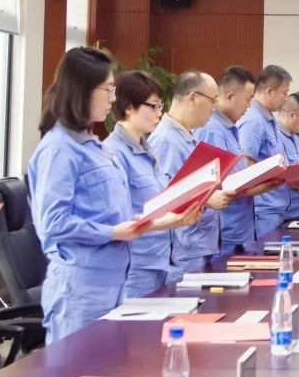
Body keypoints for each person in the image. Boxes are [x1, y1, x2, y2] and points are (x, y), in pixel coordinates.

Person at [27, 48, 190, 342]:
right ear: (83, 89)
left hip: (113, 281)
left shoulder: (95, 147)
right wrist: (113, 232)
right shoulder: (60, 149)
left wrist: (145, 223)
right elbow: (52, 223)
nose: (113, 99)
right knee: (79, 368)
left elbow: (112, 212)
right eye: (108, 89)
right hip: (82, 287)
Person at [148, 70, 235, 277]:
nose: (214, 108)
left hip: (201, 240)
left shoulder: (188, 135)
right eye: (212, 100)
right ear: (193, 97)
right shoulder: (166, 140)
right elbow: (164, 199)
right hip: (185, 246)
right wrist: (207, 199)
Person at [103, 71, 178, 297]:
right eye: (154, 106)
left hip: (161, 258)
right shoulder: (113, 153)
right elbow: (120, 218)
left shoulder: (147, 149)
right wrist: (174, 220)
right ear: (129, 107)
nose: (159, 113)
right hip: (135, 265)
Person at [196, 65, 271, 254]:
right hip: (226, 230)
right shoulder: (211, 130)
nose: (249, 106)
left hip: (239, 227)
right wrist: (262, 185)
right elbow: (217, 185)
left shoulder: (229, 129)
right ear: (230, 96)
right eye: (247, 99)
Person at [238, 64, 292, 235]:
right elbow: (246, 164)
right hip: (264, 208)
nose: (286, 98)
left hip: (275, 206)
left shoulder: (268, 118)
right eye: (284, 93)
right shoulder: (253, 120)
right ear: (269, 91)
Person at [258, 92, 299, 226]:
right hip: (280, 214)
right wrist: (298, 185)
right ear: (292, 115)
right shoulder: (275, 137)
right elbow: (276, 174)